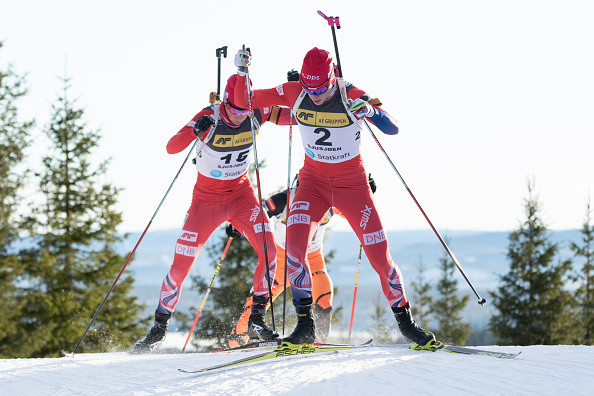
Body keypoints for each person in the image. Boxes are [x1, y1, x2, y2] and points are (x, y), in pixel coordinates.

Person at [232, 47, 440, 350]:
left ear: (332, 78)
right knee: (293, 250)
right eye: (308, 88)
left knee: (381, 258)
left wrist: (369, 111)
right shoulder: (294, 91)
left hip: (352, 187)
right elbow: (244, 101)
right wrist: (241, 74)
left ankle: (407, 325)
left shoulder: (349, 93)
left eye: (320, 88)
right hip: (312, 185)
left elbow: (392, 127)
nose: (314, 95)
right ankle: (304, 326)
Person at [131, 74, 292, 354]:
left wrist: (297, 93)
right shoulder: (210, 115)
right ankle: (158, 330)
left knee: (270, 252)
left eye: (245, 111)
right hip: (206, 203)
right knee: (180, 267)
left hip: (243, 197)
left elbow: (296, 116)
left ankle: (255, 320)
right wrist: (195, 131)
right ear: (225, 101)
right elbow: (172, 147)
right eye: (235, 110)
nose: (240, 117)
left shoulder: (256, 111)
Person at [227, 182, 336, 347]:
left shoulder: (330, 198)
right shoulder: (284, 199)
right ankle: (236, 343)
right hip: (281, 262)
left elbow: (354, 206)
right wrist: (237, 224)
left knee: (323, 297)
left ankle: (317, 341)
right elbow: (258, 212)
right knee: (257, 302)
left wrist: (366, 188)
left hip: (312, 259)